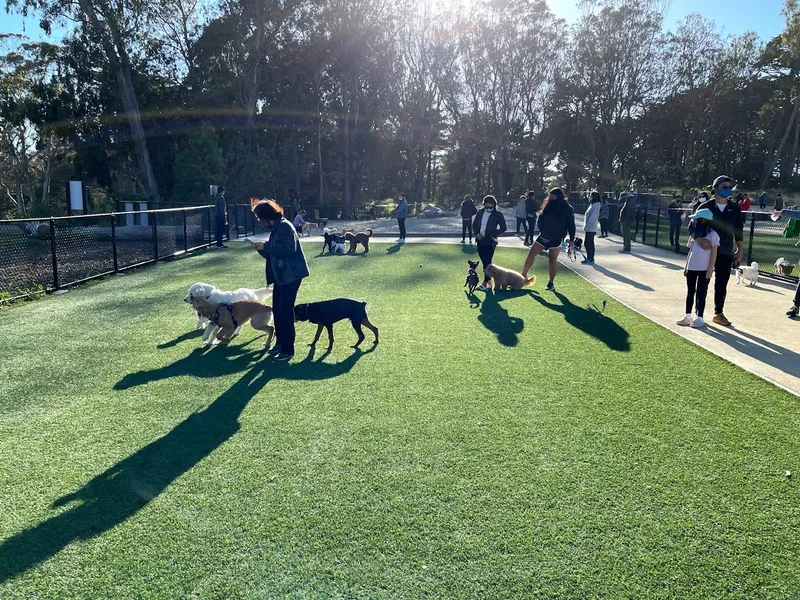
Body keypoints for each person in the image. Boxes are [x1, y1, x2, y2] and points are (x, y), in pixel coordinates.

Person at [250, 200, 309, 362]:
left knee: (285, 311)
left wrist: (266, 247)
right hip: (281, 275)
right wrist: (261, 249)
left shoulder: (284, 226)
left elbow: (289, 249)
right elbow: (274, 252)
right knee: (277, 310)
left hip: (291, 275)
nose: (261, 222)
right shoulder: (277, 227)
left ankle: (288, 349)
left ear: (267, 217)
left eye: (260, 218)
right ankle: (281, 343)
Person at [694, 175, 744, 327]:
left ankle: (718, 313)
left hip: (726, 251)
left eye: (729, 187)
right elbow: (693, 227)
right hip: (706, 252)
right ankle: (699, 314)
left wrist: (740, 249)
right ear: (715, 190)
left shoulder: (734, 208)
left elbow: (739, 230)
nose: (727, 189)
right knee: (703, 282)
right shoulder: (705, 208)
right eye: (724, 187)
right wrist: (699, 239)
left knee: (722, 284)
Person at [521, 187, 576, 292]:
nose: (552, 198)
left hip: (557, 238)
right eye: (550, 197)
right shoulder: (548, 205)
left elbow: (571, 225)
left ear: (559, 196)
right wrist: (543, 230)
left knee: (552, 259)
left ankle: (551, 283)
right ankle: (523, 276)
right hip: (544, 236)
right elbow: (540, 218)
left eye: (554, 197)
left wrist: (572, 239)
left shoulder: (567, 208)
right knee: (531, 254)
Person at [677, 208, 719, 329]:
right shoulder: (695, 237)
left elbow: (714, 253)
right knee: (690, 291)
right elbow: (690, 250)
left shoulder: (713, 235)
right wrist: (686, 266)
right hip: (692, 267)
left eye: (698, 219)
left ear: (704, 220)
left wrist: (710, 269)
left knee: (701, 292)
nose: (695, 222)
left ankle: (699, 317)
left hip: (704, 269)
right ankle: (687, 315)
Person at [472, 195, 507, 291]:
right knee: (484, 261)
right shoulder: (480, 212)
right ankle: (490, 281)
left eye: (490, 207)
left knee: (487, 262)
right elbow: (474, 225)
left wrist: (493, 234)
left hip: (490, 241)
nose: (488, 209)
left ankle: (485, 282)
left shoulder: (498, 214)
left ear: (494, 205)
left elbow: (503, 228)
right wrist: (477, 233)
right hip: (480, 240)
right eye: (486, 207)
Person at [582, 191, 601, 264]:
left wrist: (588, 225)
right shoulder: (593, 205)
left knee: (588, 243)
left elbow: (592, 217)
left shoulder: (595, 206)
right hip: (590, 227)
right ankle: (589, 257)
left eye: (591, 196)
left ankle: (590, 258)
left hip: (591, 227)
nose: (590, 197)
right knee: (589, 243)